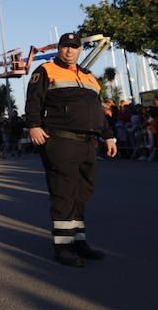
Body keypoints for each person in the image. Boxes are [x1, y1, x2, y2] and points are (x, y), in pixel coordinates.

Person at [24, 33, 118, 267]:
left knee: (82, 193)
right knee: (64, 192)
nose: (70, 51)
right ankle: (63, 247)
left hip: (88, 143)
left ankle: (79, 240)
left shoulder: (89, 77)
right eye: (66, 47)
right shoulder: (45, 70)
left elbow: (99, 109)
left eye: (74, 47)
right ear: (59, 48)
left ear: (80, 51)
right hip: (61, 140)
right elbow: (33, 100)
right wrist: (34, 126)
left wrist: (109, 136)